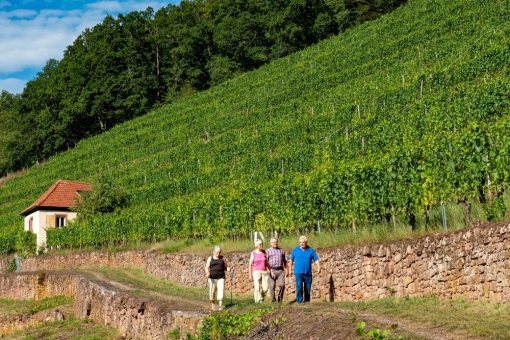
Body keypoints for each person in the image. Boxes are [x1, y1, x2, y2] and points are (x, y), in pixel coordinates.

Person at [288, 235, 320, 303]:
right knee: (299, 286)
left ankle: (307, 301)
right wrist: (290, 270)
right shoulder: (295, 250)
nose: (301, 244)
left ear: (306, 242)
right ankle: (299, 301)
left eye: (303, 242)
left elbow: (316, 259)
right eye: (300, 242)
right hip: (298, 272)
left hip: (308, 273)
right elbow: (291, 260)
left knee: (307, 288)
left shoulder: (311, 250)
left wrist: (318, 267)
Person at [205, 245, 229, 310]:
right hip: (212, 277)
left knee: (221, 290)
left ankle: (220, 306)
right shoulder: (210, 258)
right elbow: (207, 267)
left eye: (219, 252)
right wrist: (207, 273)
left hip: (221, 277)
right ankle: (213, 304)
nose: (218, 253)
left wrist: (228, 268)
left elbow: (225, 267)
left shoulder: (222, 258)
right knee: (212, 292)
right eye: (217, 252)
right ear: (213, 252)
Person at [266, 237, 288, 302]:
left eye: (276, 242)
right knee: (272, 286)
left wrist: (287, 270)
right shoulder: (267, 251)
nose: (275, 243)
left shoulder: (281, 250)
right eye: (273, 242)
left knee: (282, 285)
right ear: (270, 243)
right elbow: (266, 262)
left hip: (280, 270)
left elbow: (285, 261)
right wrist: (269, 270)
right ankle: (273, 300)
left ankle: (280, 299)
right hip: (271, 270)